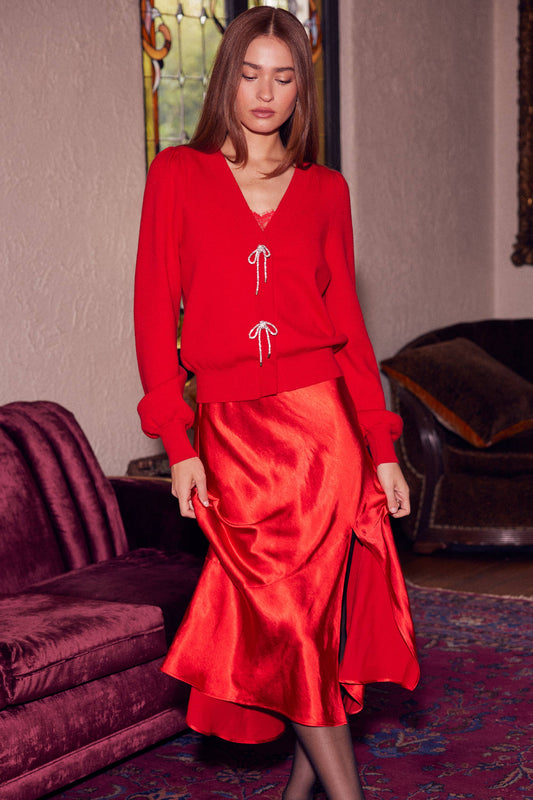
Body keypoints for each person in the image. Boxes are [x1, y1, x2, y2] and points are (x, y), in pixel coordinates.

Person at [134, 7, 419, 799]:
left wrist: (382, 448)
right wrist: (178, 444)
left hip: (321, 431)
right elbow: (154, 315)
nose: (266, 93)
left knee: (309, 626)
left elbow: (349, 335)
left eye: (284, 76)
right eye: (251, 73)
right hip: (230, 434)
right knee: (283, 621)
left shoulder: (326, 190)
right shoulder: (178, 175)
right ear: (229, 77)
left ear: (302, 90)